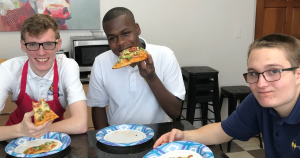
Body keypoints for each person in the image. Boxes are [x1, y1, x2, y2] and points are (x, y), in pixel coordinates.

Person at [154, 33, 300, 157]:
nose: (261, 84)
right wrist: (184, 136)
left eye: (274, 71)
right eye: (253, 73)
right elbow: (223, 130)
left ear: (298, 74)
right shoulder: (257, 101)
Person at [87, 7, 185, 129]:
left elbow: (175, 112)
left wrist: (151, 78)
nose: (120, 42)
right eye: (112, 38)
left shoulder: (165, 55)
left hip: (159, 134)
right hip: (118, 134)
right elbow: (98, 107)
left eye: (125, 33)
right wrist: (104, 139)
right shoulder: (101, 62)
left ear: (137, 29)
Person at [0, 14, 87, 141]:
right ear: (23, 46)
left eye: (48, 44)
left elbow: (81, 124)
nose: (41, 52)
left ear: (58, 44)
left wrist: (37, 131)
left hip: (54, 138)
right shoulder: (8, 70)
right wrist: (20, 130)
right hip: (15, 139)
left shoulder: (67, 67)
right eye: (33, 44)